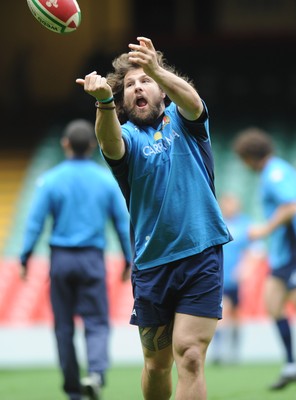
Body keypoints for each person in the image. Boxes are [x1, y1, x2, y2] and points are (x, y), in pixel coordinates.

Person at [76, 36, 232, 400]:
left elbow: (193, 103)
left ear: (161, 90)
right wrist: (103, 103)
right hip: (151, 267)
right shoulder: (125, 136)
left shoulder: (186, 121)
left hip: (201, 255)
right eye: (129, 85)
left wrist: (157, 69)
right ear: (124, 100)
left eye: (144, 80)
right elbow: (110, 144)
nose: (137, 87)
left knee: (190, 357)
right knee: (156, 364)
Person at [19, 119, 132, 400]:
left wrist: (25, 256)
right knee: (96, 321)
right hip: (92, 259)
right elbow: (121, 222)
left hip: (61, 260)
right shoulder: (106, 180)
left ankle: (72, 389)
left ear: (65, 144)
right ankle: (95, 373)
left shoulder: (51, 179)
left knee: (64, 326)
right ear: (93, 146)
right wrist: (129, 260)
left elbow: (35, 222)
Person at [233, 127, 296, 390]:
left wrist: (264, 229)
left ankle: (291, 365)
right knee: (273, 304)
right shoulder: (272, 172)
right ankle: (291, 366)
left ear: (250, 156)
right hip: (282, 256)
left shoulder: (275, 172)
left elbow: (292, 206)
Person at [211, 193, 265, 364]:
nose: (229, 207)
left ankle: (234, 351)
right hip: (220, 278)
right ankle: (218, 352)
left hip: (237, 281)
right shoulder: (217, 223)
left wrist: (245, 269)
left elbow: (257, 250)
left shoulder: (245, 223)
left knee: (235, 316)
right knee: (223, 312)